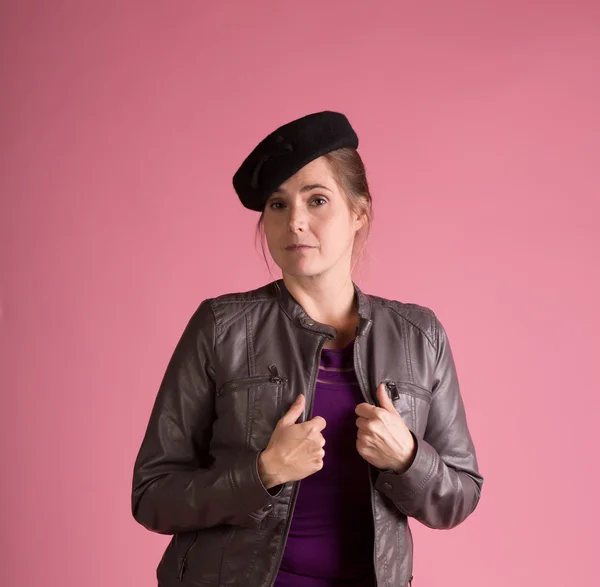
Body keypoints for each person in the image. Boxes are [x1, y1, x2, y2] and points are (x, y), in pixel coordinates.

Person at [131, 111, 484, 587]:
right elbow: (153, 495)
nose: (295, 222)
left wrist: (408, 459)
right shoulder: (221, 327)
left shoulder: (419, 335)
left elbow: (458, 498)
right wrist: (261, 473)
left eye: (317, 200)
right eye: (277, 205)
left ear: (359, 213)